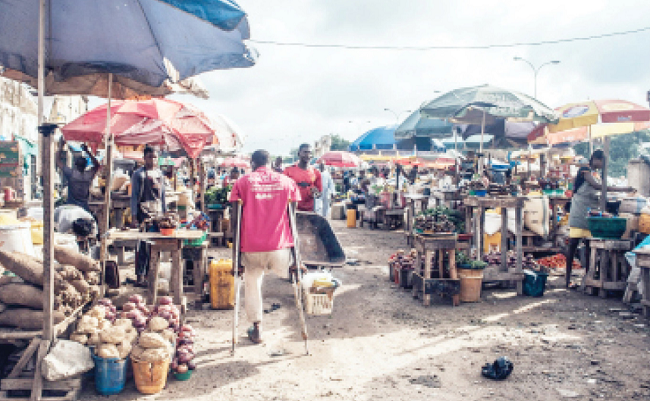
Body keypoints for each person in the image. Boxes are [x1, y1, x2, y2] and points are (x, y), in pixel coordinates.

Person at [229, 150, 301, 344]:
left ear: (252, 163)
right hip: (280, 249)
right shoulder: (287, 182)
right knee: (289, 276)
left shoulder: (242, 182)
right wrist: (297, 260)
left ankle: (257, 328)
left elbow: (235, 221)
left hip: (251, 248)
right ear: (270, 163)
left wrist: (236, 260)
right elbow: (293, 220)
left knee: (252, 285)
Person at [565, 150, 634, 288]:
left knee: (589, 247)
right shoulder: (585, 169)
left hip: (591, 214)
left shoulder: (595, 174)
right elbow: (596, 186)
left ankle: (587, 278)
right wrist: (622, 189)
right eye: (603, 162)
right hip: (579, 212)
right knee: (573, 245)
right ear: (596, 159)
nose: (603, 165)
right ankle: (567, 279)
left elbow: (598, 189)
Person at [130, 146, 167, 287]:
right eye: (150, 156)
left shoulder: (159, 174)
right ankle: (140, 276)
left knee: (155, 245)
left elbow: (162, 196)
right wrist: (134, 217)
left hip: (157, 213)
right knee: (142, 246)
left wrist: (165, 213)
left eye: (155, 157)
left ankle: (150, 275)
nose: (153, 160)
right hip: (143, 214)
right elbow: (134, 197)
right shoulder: (138, 174)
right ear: (144, 158)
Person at [56, 140, 100, 212]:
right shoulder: (88, 175)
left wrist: (61, 146)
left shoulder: (71, 174)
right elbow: (97, 165)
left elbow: (58, 161)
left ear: (75, 165)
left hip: (71, 208)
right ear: (85, 165)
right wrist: (87, 151)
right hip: (84, 208)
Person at [283, 144, 322, 211]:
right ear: (299, 154)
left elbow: (319, 193)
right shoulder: (288, 170)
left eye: (309, 152)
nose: (307, 155)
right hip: (292, 209)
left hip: (309, 209)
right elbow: (282, 190)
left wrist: (316, 193)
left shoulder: (316, 172)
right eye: (305, 152)